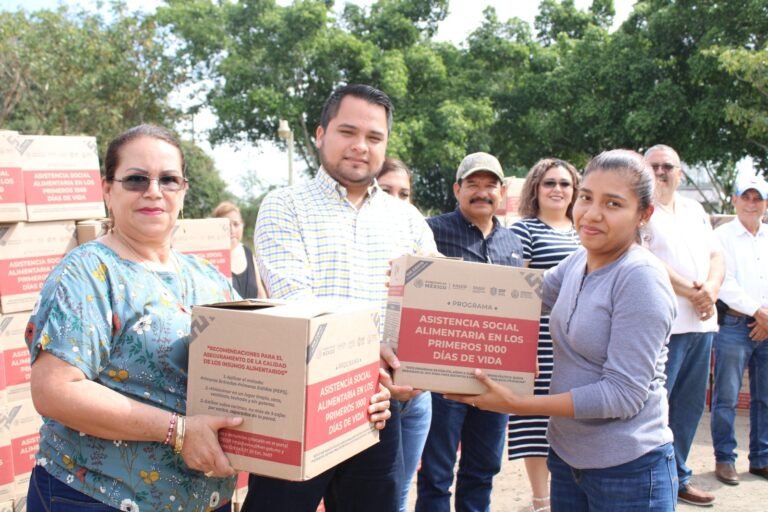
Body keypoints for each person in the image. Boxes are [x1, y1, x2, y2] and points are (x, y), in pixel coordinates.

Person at [24, 124, 243, 511]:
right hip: (98, 496)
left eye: (168, 179)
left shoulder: (210, 278)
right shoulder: (88, 272)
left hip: (205, 499)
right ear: (107, 190)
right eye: (136, 179)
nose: (154, 191)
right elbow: (54, 390)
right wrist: (178, 431)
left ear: (183, 190)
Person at [447, 150, 678, 511]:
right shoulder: (578, 261)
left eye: (613, 203)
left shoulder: (640, 278)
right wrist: (426, 287)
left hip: (627, 470)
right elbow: (518, 298)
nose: (592, 213)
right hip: (568, 459)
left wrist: (520, 404)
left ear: (643, 214)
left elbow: (623, 394)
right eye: (586, 197)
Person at [245, 84, 436, 512]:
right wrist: (378, 359)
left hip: (377, 410)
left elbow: (432, 306)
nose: (360, 146)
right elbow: (298, 304)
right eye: (348, 132)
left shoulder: (407, 219)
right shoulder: (285, 206)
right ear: (320, 134)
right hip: (298, 405)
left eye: (374, 137)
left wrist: (421, 369)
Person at [415, 152, 524, 512]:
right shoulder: (432, 231)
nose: (482, 192)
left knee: (484, 467)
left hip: (495, 377)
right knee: (436, 471)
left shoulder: (513, 243)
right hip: (444, 376)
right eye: (473, 184)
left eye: (490, 185)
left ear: (502, 192)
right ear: (457, 190)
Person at [644, 144, 724, 507]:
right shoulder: (641, 210)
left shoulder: (694, 209)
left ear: (680, 173)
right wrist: (693, 294)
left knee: (690, 408)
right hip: (665, 325)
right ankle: (654, 479)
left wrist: (711, 290)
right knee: (658, 407)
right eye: (654, 166)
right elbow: (647, 259)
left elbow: (716, 255)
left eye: (668, 166)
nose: (661, 172)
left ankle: (678, 477)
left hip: (702, 325)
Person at [507, 158, 581, 512]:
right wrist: (524, 346)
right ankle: (541, 500)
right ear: (535, 188)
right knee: (536, 423)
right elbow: (517, 293)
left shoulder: (584, 229)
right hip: (539, 341)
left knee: (574, 419)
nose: (557, 189)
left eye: (565, 183)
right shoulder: (524, 231)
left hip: (580, 343)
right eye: (549, 182)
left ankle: (569, 496)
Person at [376, 157, 431, 512]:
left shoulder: (417, 232)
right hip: (374, 390)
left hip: (417, 392)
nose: (396, 200)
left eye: (404, 193)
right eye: (386, 191)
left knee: (402, 488)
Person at [710, 175, 768, 486]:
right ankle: (725, 458)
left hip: (766, 327)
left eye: (757, 198)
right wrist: (759, 313)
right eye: (745, 197)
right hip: (734, 325)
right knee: (726, 397)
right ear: (734, 200)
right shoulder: (721, 236)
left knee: (765, 398)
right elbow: (724, 282)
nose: (751, 203)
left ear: (766, 204)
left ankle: (761, 458)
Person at [211, 201, 267, 298]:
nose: (232, 230)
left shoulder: (248, 253)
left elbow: (260, 292)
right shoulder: (212, 258)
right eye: (226, 226)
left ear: (242, 225)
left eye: (236, 224)